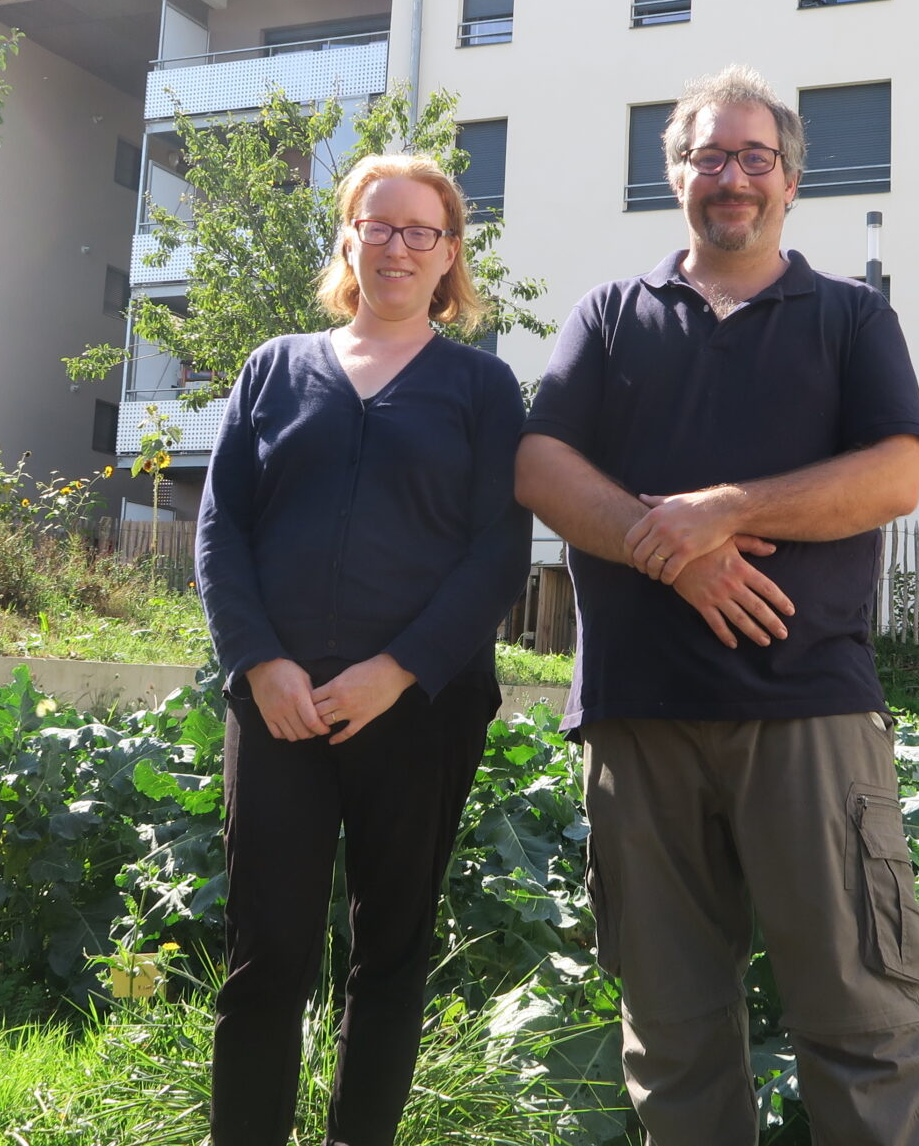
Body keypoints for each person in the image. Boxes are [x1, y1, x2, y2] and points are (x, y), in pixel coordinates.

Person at [515, 65, 919, 1146]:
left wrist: (726, 507)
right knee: (672, 1037)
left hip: (808, 716)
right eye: (709, 156)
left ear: (790, 180)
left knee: (863, 1022)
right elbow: (538, 466)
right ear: (676, 175)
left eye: (755, 157)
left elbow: (894, 474)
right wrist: (677, 556)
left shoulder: (849, 316)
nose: (733, 178)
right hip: (638, 718)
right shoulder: (610, 316)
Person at [196, 153, 529, 1146]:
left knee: (388, 955)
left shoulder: (482, 386)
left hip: (420, 712)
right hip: (279, 707)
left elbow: (496, 554)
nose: (395, 246)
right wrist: (261, 665)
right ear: (347, 237)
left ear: (447, 254)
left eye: (418, 231)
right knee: (268, 952)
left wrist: (396, 671)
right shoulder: (274, 367)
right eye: (376, 226)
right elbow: (221, 530)